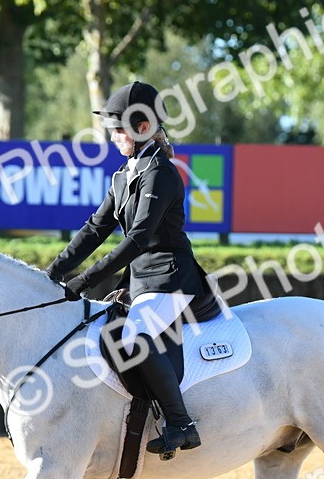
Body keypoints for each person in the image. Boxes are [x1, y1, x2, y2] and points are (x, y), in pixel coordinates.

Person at [44, 81, 216, 455]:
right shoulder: (123, 175)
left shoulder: (162, 174)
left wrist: (84, 280)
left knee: (132, 336)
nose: (113, 135)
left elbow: (138, 238)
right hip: (140, 279)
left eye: (119, 127)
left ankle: (181, 423)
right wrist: (52, 273)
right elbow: (94, 229)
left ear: (143, 127)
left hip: (169, 277)